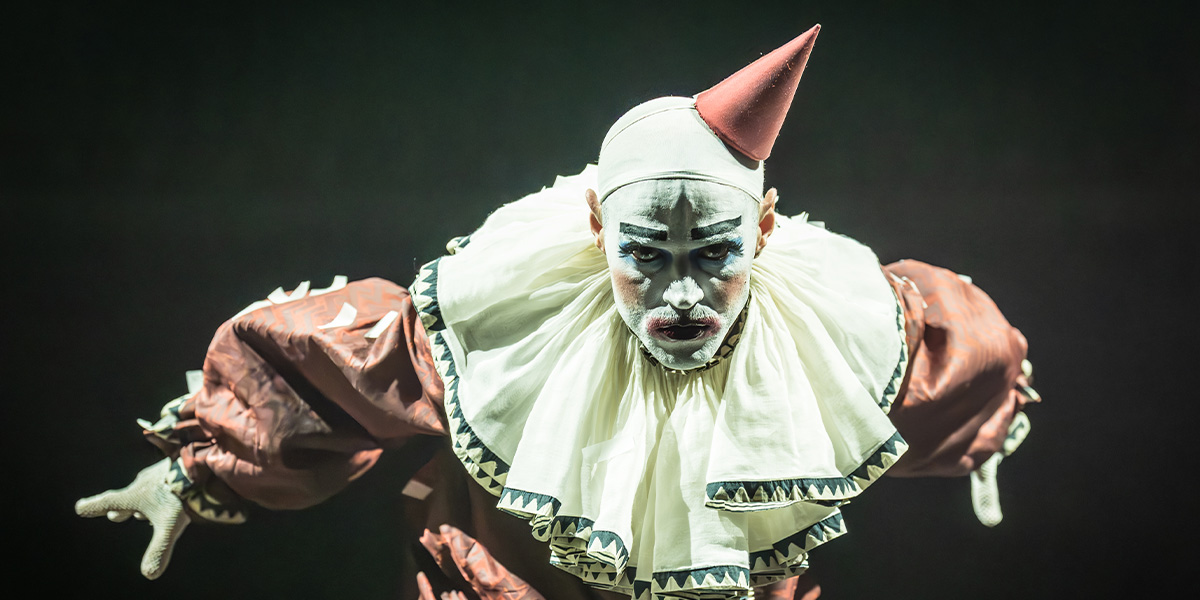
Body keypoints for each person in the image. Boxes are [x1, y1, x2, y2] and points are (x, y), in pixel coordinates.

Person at [76, 25, 1038, 600]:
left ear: (767, 230)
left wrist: (984, 435)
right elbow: (326, 371)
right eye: (644, 260)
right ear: (594, 228)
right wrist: (205, 471)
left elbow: (958, 362)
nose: (682, 298)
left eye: (715, 257)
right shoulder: (500, 322)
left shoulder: (845, 327)